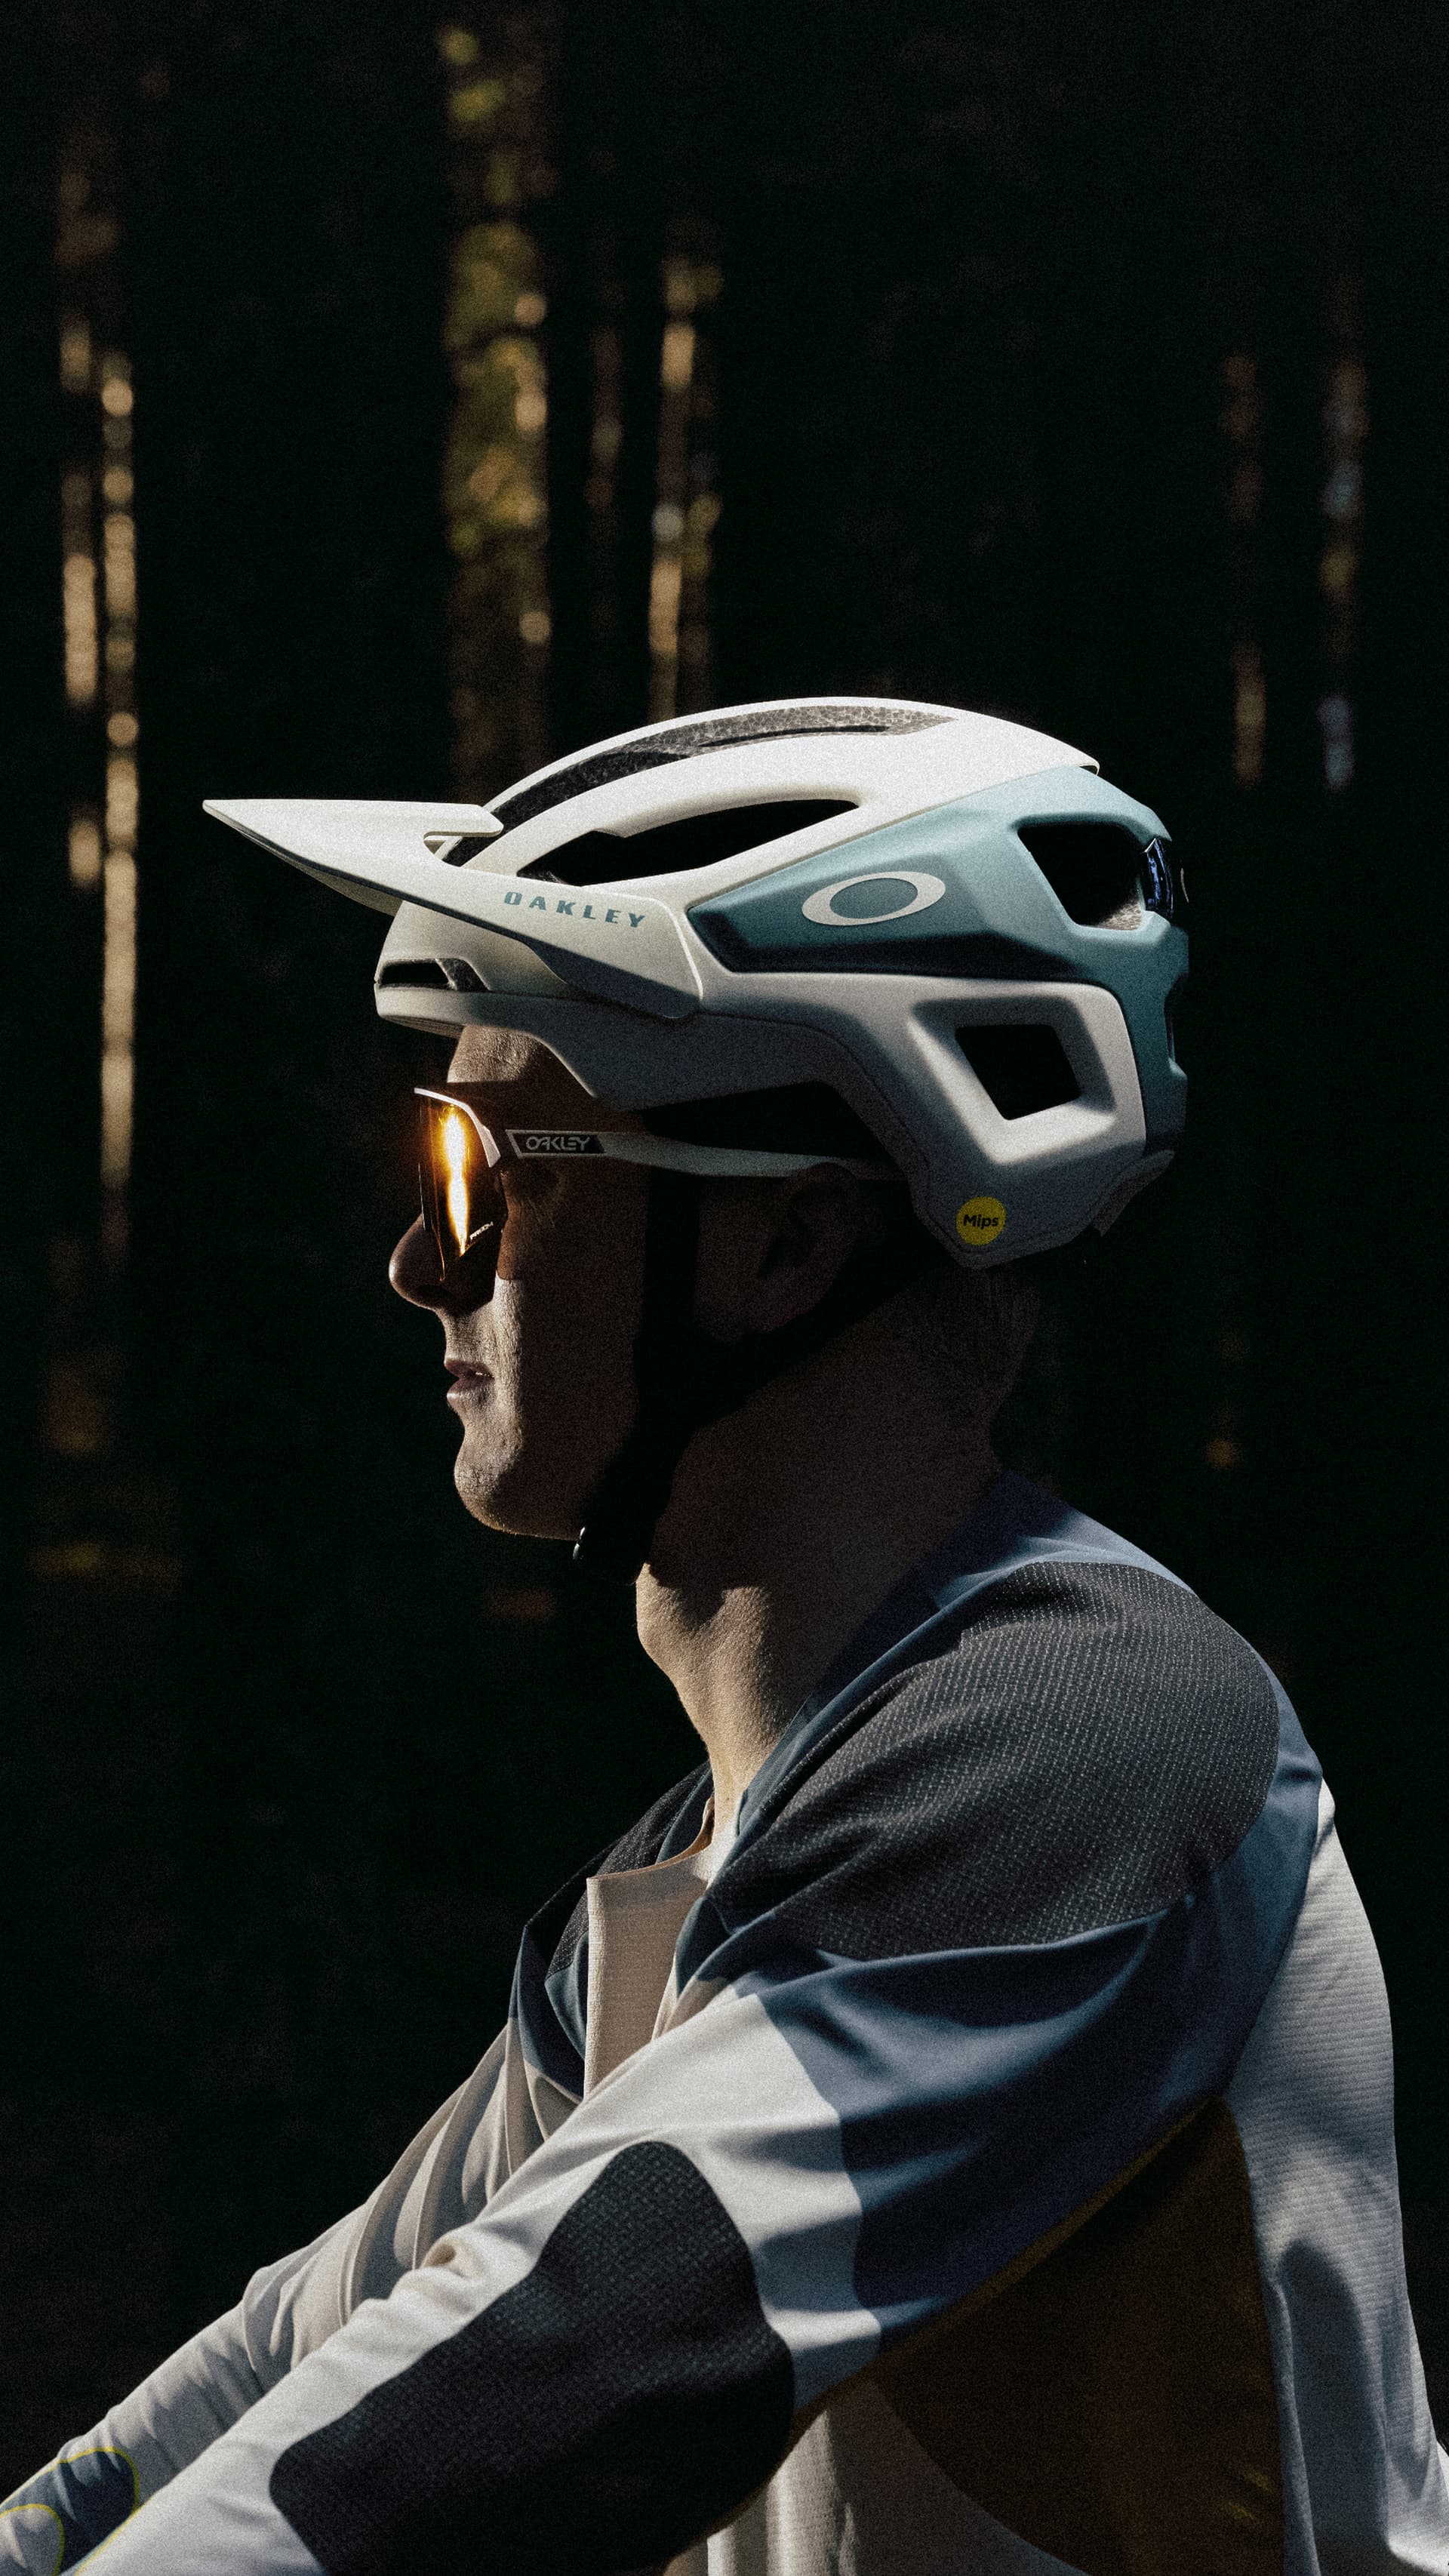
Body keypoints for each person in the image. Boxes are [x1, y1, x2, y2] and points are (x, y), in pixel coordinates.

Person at [3, 696, 1443, 2574]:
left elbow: (554, 2358)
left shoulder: (1098, 1743)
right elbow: (311, 2350)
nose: (423, 1263)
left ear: (781, 1250)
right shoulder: (717, 1866)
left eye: (489, 1167)